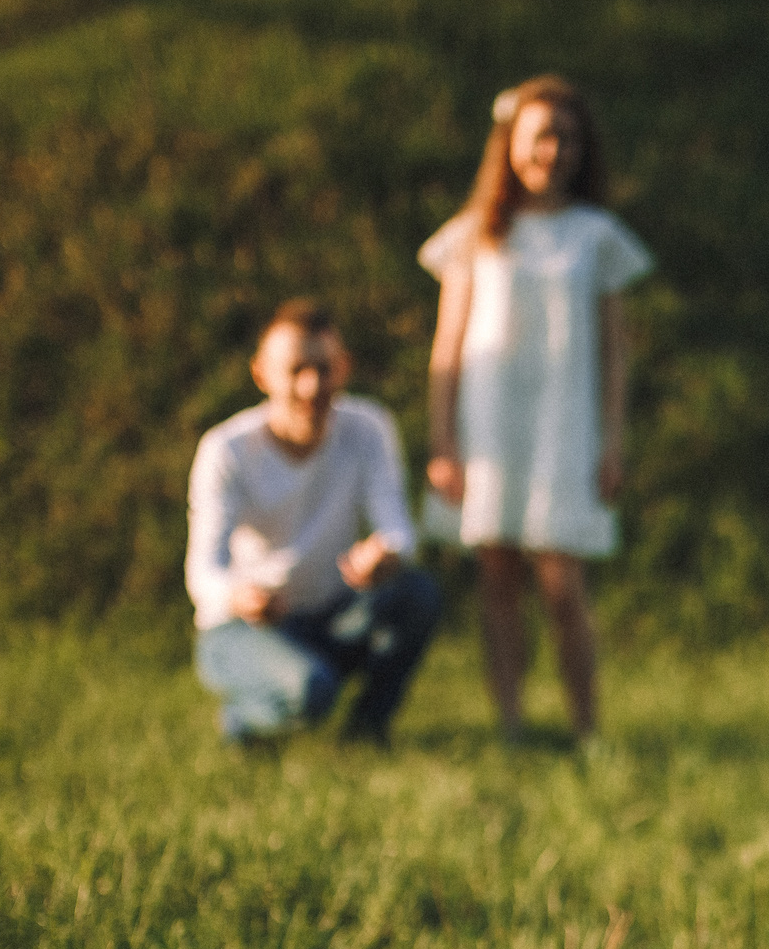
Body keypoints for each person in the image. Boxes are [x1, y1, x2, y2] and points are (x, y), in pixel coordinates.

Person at [419, 75, 653, 742]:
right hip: (489, 424)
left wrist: (612, 441)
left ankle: (587, 727)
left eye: (567, 137)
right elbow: (449, 344)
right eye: (541, 136)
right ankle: (512, 722)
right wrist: (443, 441)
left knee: (562, 583)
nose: (553, 151)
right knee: (496, 579)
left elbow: (614, 352)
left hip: (564, 425)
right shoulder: (476, 233)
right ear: (510, 144)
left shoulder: (596, 236)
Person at [186, 299, 442, 746]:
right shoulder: (226, 450)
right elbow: (202, 570)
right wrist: (237, 595)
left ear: (344, 368)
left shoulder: (369, 428)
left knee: (418, 593)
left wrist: (385, 553)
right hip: (246, 626)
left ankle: (366, 733)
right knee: (312, 692)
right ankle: (244, 718)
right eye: (296, 370)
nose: (312, 386)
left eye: (324, 369)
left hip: (332, 614)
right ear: (261, 374)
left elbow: (398, 528)